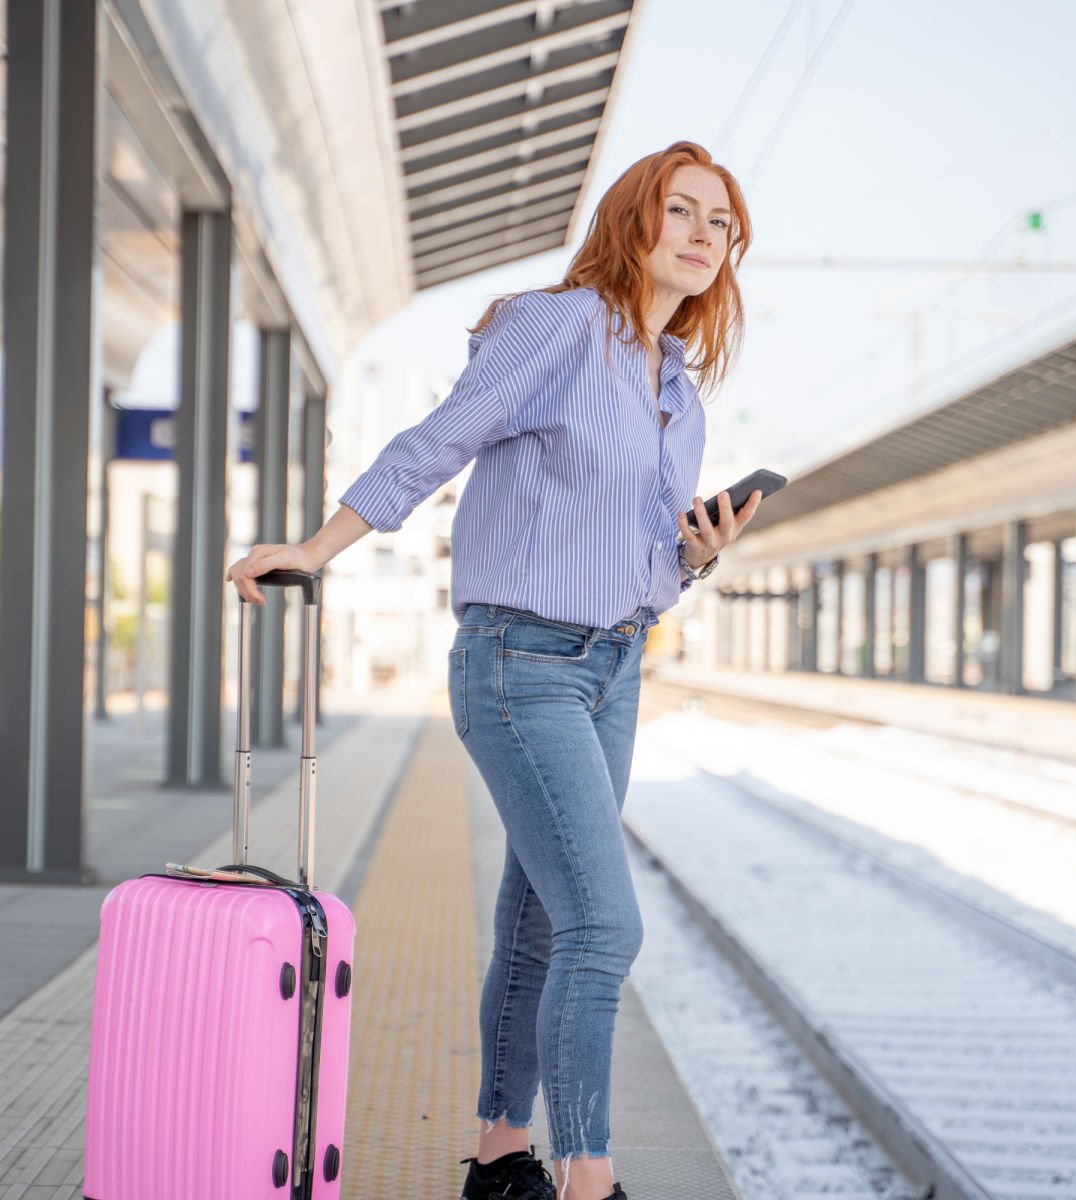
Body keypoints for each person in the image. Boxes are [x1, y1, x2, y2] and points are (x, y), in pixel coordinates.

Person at [227, 139, 759, 1200]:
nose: (707, 238)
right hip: (522, 663)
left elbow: (639, 560)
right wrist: (317, 547)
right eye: (687, 212)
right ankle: (590, 1181)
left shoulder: (676, 387)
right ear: (634, 218)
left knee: (539, 924)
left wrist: (692, 558)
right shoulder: (557, 327)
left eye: (724, 226)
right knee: (604, 926)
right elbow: (441, 438)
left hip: (614, 666)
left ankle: (499, 1161)